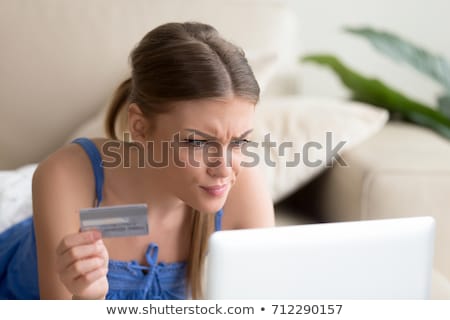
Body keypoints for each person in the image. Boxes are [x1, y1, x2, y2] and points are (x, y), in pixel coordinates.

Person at [0, 22, 274, 300]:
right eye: (197, 143)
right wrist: (87, 300)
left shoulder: (242, 187)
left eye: (239, 142)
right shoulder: (66, 176)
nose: (224, 169)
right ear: (140, 127)